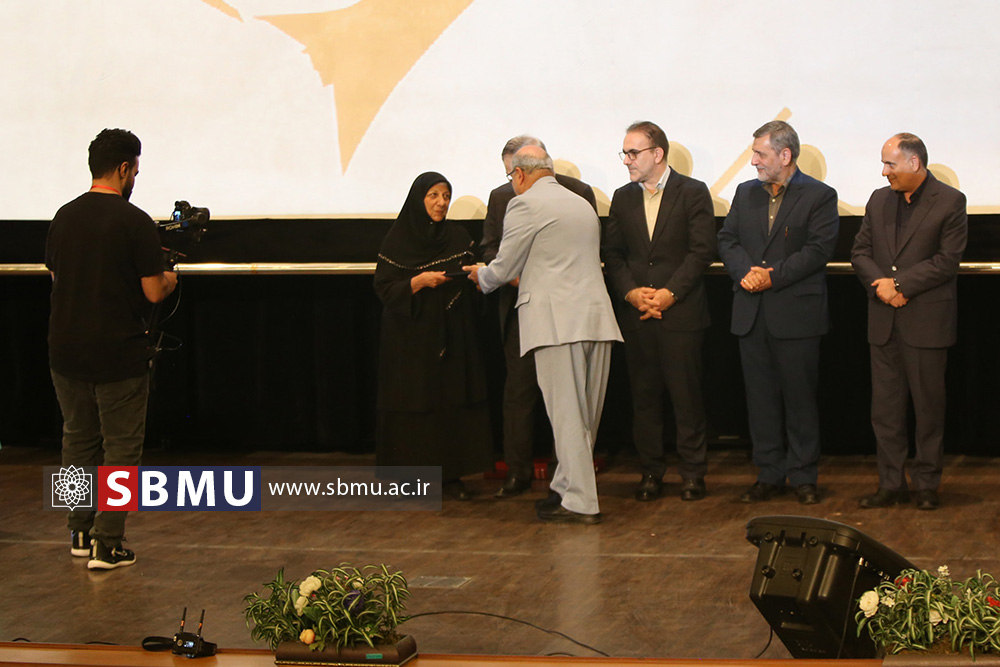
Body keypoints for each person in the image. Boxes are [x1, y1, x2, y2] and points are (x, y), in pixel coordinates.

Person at [465, 146, 622, 524]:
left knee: (567, 415)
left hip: (556, 323)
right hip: (596, 319)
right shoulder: (580, 203)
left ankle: (581, 503)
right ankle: (566, 487)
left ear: (519, 174)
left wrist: (481, 276)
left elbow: (504, 267)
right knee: (584, 416)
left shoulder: (525, 204)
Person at [47, 128, 177, 569]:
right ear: (124, 169)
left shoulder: (63, 216)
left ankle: (79, 532)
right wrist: (170, 278)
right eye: (135, 170)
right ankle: (109, 542)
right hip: (118, 352)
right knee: (121, 449)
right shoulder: (133, 221)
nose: (135, 178)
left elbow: (57, 278)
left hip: (65, 348)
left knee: (76, 441)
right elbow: (153, 291)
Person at [716, 120, 839, 505]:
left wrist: (770, 277)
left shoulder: (819, 195)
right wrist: (745, 273)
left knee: (800, 400)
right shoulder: (745, 192)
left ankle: (803, 476)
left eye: (760, 154)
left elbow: (818, 250)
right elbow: (728, 239)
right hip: (751, 313)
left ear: (785, 155)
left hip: (796, 315)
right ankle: (768, 473)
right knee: (760, 400)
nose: (753, 161)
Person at [850, 133, 967, 511]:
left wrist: (899, 285)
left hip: (926, 322)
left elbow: (947, 261)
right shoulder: (878, 200)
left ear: (914, 162)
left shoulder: (950, 201)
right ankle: (891, 484)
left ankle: (927, 484)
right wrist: (883, 287)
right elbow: (860, 252)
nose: (884, 172)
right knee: (885, 411)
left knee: (928, 409)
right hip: (884, 320)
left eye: (891, 164)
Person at [602, 121, 716, 502]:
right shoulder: (623, 198)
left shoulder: (692, 192)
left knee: (687, 398)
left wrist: (670, 293)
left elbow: (701, 251)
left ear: (657, 154)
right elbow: (613, 254)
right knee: (644, 399)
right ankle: (651, 472)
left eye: (633, 153)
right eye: (624, 153)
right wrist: (631, 293)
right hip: (638, 315)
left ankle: (692, 473)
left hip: (681, 315)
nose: (627, 161)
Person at [482, 135, 598, 498]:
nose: (513, 182)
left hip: (562, 313)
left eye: (514, 173)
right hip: (523, 307)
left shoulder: (577, 192)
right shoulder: (501, 197)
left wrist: (492, 275)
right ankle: (519, 472)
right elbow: (491, 247)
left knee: (568, 401)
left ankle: (568, 483)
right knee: (520, 392)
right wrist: (512, 275)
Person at [374, 172, 492, 500]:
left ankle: (451, 477)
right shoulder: (397, 240)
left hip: (453, 333)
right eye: (433, 196)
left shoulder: (457, 236)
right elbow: (384, 287)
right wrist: (418, 282)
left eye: (446, 196)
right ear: (418, 199)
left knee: (450, 401)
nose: (441, 203)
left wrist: (475, 276)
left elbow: (471, 276)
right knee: (415, 403)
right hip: (410, 338)